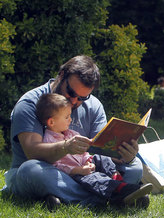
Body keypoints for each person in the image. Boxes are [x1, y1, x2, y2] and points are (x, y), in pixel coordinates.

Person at [3, 55, 146, 209]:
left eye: (82, 98)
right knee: (30, 170)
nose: (74, 101)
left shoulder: (94, 106)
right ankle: (112, 197)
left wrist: (125, 155)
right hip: (46, 172)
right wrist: (65, 147)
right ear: (62, 75)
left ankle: (64, 196)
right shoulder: (31, 103)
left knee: (135, 166)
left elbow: (101, 151)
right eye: (70, 92)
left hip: (85, 173)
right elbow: (32, 152)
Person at [36, 93, 153, 207]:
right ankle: (122, 191)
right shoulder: (49, 141)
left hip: (85, 166)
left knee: (101, 158)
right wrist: (79, 170)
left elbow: (84, 152)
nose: (70, 120)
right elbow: (58, 166)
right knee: (94, 179)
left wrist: (88, 159)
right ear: (51, 122)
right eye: (67, 117)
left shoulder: (71, 133)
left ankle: (116, 178)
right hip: (74, 175)